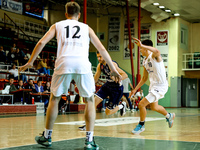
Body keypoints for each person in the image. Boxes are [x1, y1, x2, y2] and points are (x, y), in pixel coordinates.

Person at [19, 2, 121, 149]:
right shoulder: (87, 28)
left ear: (66, 14)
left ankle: (47, 137)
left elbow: (41, 42)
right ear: (79, 15)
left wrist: (30, 61)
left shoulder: (57, 25)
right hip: (82, 64)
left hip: (63, 63)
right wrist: (113, 68)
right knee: (90, 100)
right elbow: (102, 48)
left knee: (54, 98)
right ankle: (89, 140)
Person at [129, 38, 175, 134]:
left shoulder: (154, 56)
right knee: (154, 107)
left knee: (141, 104)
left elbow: (157, 51)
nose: (140, 50)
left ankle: (141, 125)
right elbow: (144, 78)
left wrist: (142, 45)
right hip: (153, 86)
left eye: (141, 48)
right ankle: (169, 116)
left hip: (161, 86)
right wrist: (135, 90)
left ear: (146, 48)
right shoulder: (145, 61)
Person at [78, 52, 128, 131]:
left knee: (108, 112)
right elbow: (95, 78)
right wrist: (89, 87)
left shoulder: (112, 65)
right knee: (92, 104)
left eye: (101, 57)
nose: (99, 59)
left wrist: (117, 79)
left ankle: (122, 106)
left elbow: (125, 75)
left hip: (116, 88)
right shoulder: (100, 66)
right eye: (98, 57)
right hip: (107, 85)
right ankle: (87, 125)